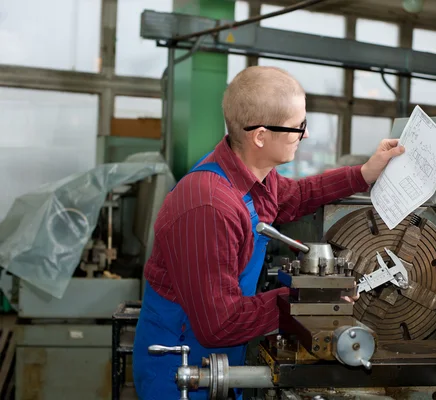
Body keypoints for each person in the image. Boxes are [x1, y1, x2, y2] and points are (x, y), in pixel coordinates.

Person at [132, 66, 405, 400]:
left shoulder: (253, 174)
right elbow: (219, 325)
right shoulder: (209, 206)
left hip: (219, 360)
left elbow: (296, 196)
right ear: (260, 136)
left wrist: (364, 174)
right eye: (298, 126)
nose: (304, 135)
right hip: (180, 369)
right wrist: (305, 298)